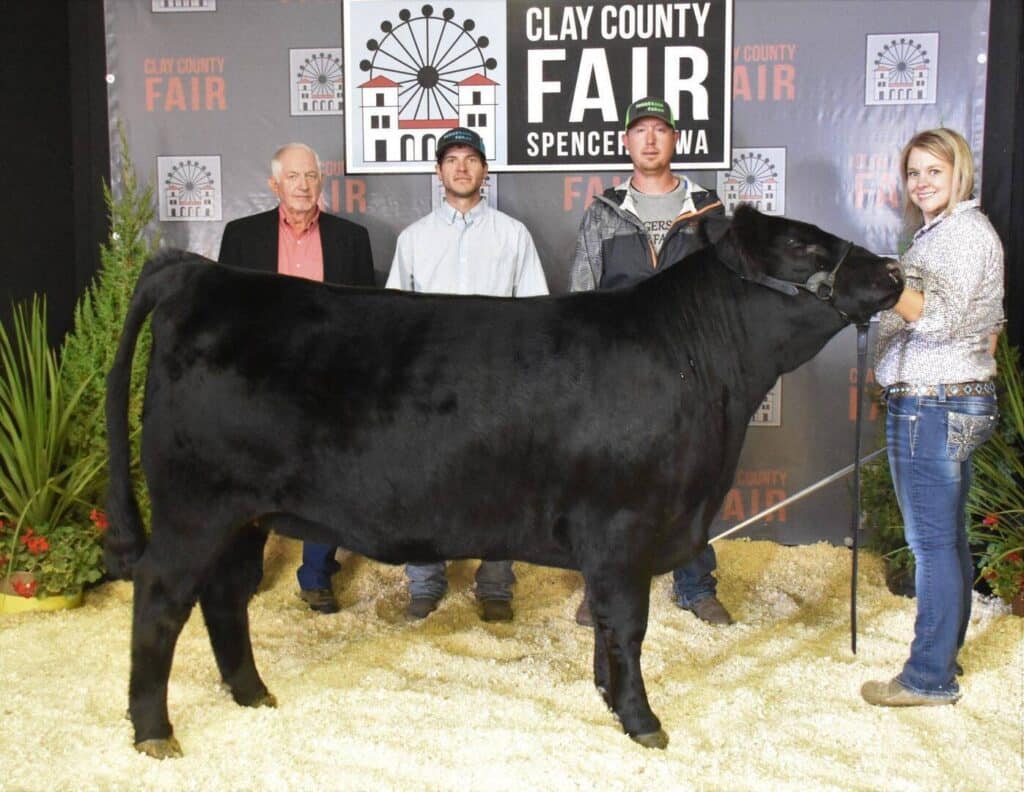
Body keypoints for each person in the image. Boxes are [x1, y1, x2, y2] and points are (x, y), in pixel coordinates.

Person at [569, 96, 733, 627]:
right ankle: (600, 589)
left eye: (660, 129)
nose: (650, 139)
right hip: (620, 373)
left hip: (690, 374)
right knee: (608, 482)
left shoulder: (708, 209)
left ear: (675, 140)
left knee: (690, 479)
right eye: (640, 130)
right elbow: (582, 295)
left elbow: (728, 293)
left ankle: (694, 584)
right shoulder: (603, 211)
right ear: (626, 142)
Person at [862, 128, 1003, 707]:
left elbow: (939, 320)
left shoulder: (963, 235)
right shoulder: (942, 234)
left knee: (933, 545)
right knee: (944, 543)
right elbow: (986, 329)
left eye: (933, 172)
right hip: (947, 397)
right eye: (914, 173)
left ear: (959, 174)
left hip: (933, 402)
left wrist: (880, 286)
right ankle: (942, 656)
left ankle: (927, 678)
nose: (921, 183)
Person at [386, 127, 549, 623]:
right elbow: (395, 318)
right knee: (423, 481)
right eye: (451, 159)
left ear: (484, 170)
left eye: (471, 159)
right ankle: (425, 580)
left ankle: (495, 583)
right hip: (429, 386)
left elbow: (536, 313)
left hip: (496, 383)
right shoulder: (413, 239)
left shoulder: (512, 235)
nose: (461, 167)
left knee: (501, 481)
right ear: (438, 172)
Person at [218, 142, 375, 615]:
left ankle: (316, 575)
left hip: (329, 380)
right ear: (275, 185)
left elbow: (367, 319)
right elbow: (229, 315)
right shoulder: (241, 236)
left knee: (325, 478)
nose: (304, 185)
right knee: (250, 477)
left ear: (321, 182)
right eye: (293, 177)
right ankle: (245, 571)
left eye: (311, 176)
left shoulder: (352, 239)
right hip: (261, 380)